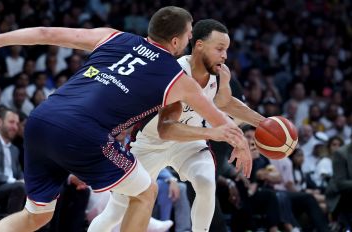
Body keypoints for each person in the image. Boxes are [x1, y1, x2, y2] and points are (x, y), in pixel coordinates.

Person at [0, 7, 251, 232]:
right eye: (189, 35)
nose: (190, 40)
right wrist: (240, 142)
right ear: (177, 41)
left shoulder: (112, 36)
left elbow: (47, 32)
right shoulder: (177, 78)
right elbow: (220, 120)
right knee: (145, 193)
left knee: (35, 216)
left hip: (41, 120)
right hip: (83, 133)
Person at [89, 19, 261, 232]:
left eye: (226, 49)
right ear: (199, 45)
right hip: (152, 142)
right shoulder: (174, 73)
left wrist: (264, 123)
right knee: (116, 210)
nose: (224, 56)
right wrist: (215, 133)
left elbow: (224, 102)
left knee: (206, 183)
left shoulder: (221, 73)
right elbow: (167, 128)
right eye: (219, 49)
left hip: (189, 144)